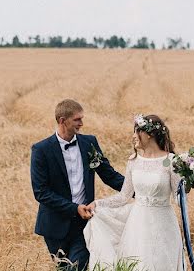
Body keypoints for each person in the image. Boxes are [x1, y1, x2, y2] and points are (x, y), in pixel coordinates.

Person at [31, 99, 125, 270]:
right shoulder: (41, 150)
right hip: (55, 225)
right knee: (64, 268)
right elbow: (41, 192)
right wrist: (74, 208)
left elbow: (108, 174)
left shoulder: (89, 143)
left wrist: (137, 188)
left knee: (77, 267)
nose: (82, 123)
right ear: (62, 120)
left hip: (85, 222)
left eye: (82, 118)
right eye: (77, 119)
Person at [85, 114, 184, 271]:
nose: (133, 136)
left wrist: (188, 183)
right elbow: (124, 196)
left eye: (137, 131)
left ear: (149, 134)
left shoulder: (171, 161)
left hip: (163, 224)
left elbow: (179, 200)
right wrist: (98, 204)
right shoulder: (133, 160)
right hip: (137, 225)